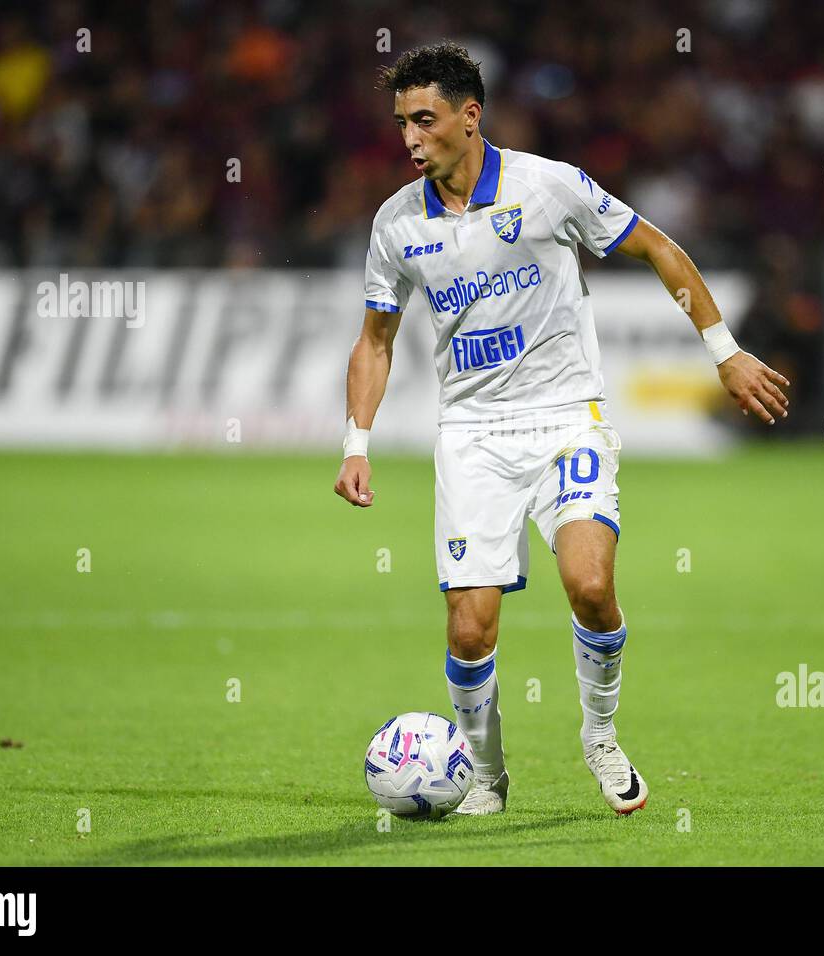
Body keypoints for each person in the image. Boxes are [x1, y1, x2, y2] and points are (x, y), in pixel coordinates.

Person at [333, 42, 789, 815]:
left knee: (590, 586)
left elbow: (657, 248)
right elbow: (375, 341)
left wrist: (726, 351)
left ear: (469, 116)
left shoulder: (549, 188)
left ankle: (600, 736)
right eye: (402, 122)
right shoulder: (396, 226)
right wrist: (356, 444)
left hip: (565, 419)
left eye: (425, 119)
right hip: (473, 434)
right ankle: (485, 775)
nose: (409, 137)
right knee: (471, 630)